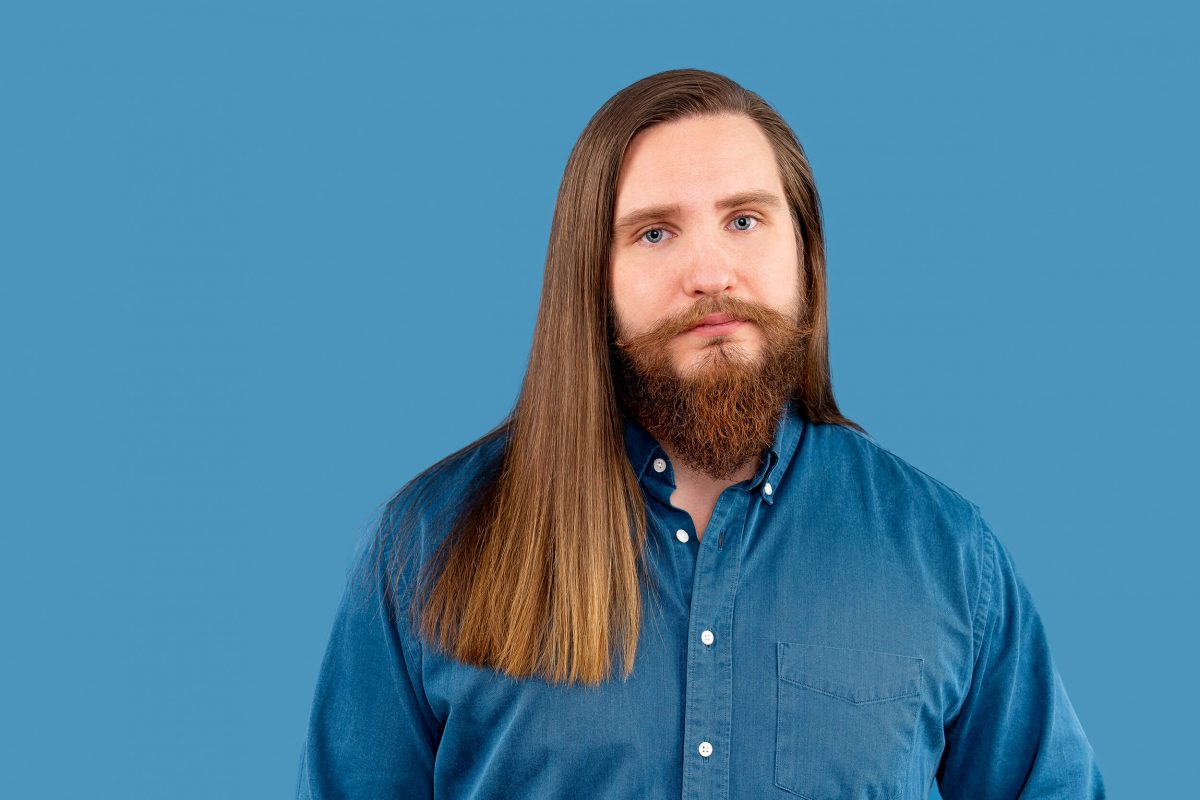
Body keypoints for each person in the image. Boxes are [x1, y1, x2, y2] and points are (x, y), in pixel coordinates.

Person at [295, 68, 1106, 799]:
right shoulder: (429, 545)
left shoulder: (948, 555)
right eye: (655, 232)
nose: (711, 272)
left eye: (745, 220)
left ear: (807, 258)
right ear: (591, 280)